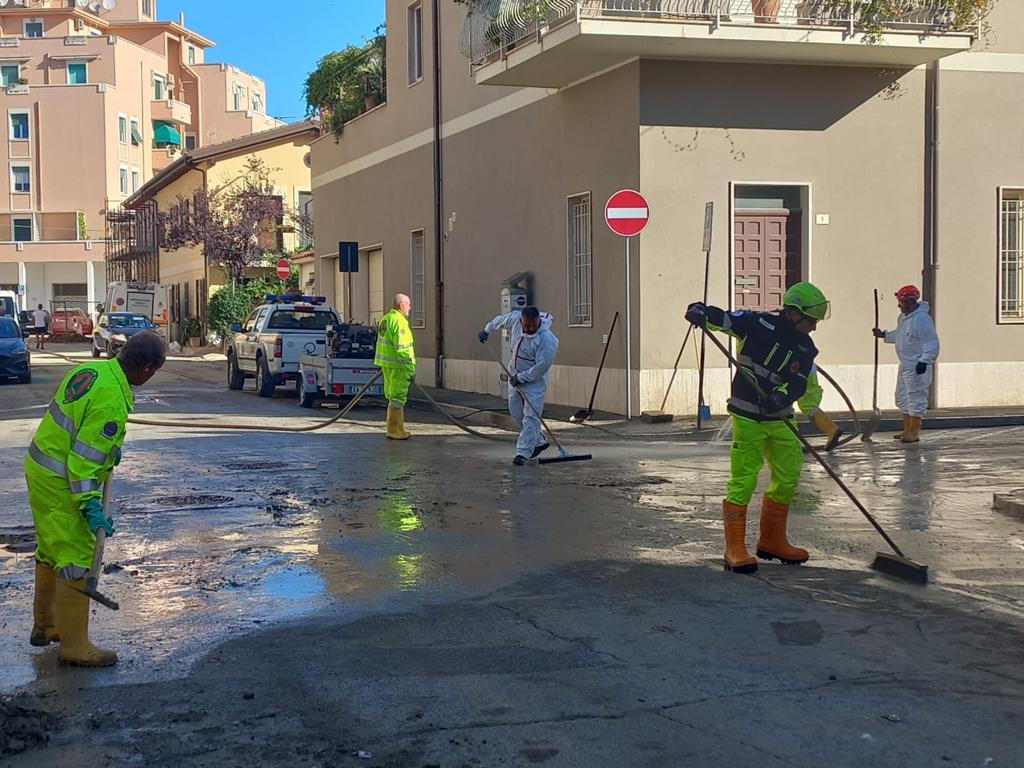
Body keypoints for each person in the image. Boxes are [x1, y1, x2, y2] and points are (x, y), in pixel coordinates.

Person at [26, 331, 167, 667]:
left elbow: (77, 427)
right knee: (76, 554)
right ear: (147, 368)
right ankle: (74, 646)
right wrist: (90, 505)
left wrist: (110, 451)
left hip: (42, 467)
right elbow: (83, 463)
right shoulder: (111, 399)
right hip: (61, 478)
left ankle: (47, 625)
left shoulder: (93, 371)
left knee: (51, 548)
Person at [685, 282, 829, 574]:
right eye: (811, 321)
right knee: (744, 479)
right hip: (748, 416)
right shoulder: (757, 323)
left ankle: (772, 541)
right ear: (793, 313)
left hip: (780, 419)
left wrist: (783, 395)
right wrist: (700, 311)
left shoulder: (806, 348)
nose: (813, 327)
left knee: (788, 476)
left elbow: (800, 381)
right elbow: (725, 319)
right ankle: (735, 548)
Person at [479, 306, 559, 466]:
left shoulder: (546, 340)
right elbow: (499, 320)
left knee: (531, 415)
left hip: (534, 381)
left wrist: (522, 378)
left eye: (533, 326)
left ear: (538, 321)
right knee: (515, 411)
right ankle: (540, 441)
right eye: (526, 325)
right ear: (521, 320)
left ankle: (522, 453)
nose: (529, 328)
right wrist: (486, 330)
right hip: (514, 373)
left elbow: (541, 366)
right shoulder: (515, 319)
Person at [873, 284, 940, 444]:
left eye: (901, 302)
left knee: (915, 397)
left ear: (910, 302)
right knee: (902, 396)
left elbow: (931, 342)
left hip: (917, 365)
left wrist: (925, 360)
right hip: (905, 365)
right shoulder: (904, 319)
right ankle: (906, 429)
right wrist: (884, 335)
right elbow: (900, 335)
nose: (898, 305)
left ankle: (914, 432)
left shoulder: (922, 319)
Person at [374, 293, 417, 440]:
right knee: (398, 397)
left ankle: (398, 428)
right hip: (398, 367)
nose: (410, 308)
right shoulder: (399, 322)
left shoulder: (385, 319)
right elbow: (403, 349)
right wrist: (410, 370)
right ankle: (394, 430)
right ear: (401, 305)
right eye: (408, 304)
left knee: (393, 397)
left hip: (387, 365)